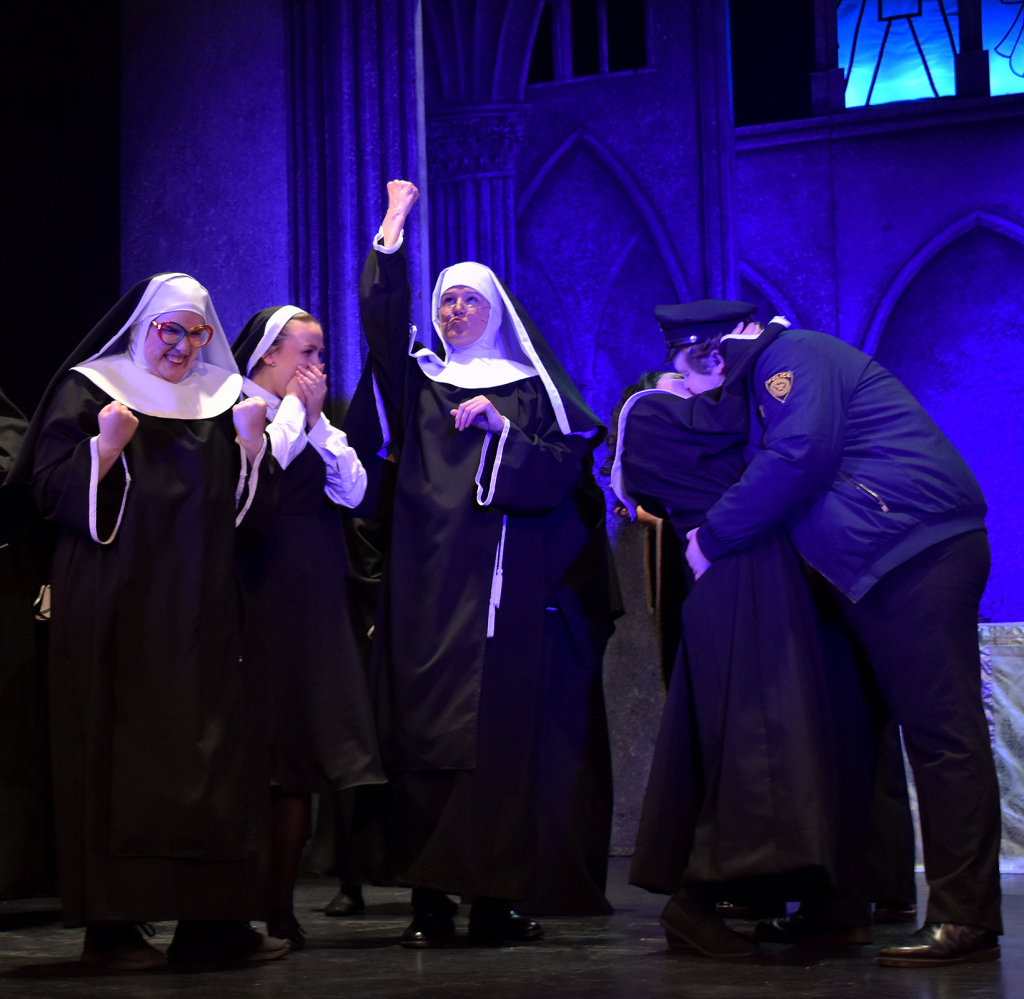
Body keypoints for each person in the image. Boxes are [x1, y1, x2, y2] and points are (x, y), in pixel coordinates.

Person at [684, 310, 1000, 967]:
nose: (703, 368)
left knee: (943, 734)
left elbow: (800, 453)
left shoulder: (792, 355)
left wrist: (710, 538)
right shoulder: (764, 379)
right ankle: (840, 910)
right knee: (848, 743)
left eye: (705, 353)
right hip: (858, 569)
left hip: (913, 550)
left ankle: (965, 916)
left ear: (737, 337)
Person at [357, 180, 620, 946]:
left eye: (469, 301)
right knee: (425, 739)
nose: (455, 312)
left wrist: (503, 429)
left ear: (497, 312)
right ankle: (429, 902)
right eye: (446, 301)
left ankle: (494, 900)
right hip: (425, 589)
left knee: (500, 743)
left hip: (504, 596)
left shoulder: (530, 392)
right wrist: (393, 231)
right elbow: (382, 321)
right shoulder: (420, 380)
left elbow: (561, 471)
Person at [5, 274, 289, 969]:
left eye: (197, 333)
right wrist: (101, 451)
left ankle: (213, 925)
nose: (184, 347)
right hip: (112, 607)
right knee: (113, 756)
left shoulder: (226, 399)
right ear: (141, 328)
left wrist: (253, 450)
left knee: (212, 758)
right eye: (170, 331)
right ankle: (112, 930)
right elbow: (41, 491)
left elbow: (251, 523)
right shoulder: (91, 389)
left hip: (202, 613)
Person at [613, 302, 856, 959]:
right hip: (730, 573)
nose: (719, 364)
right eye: (706, 353)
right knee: (752, 733)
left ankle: (819, 898)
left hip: (765, 566)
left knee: (779, 729)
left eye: (724, 352)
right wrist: (762, 347)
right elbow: (724, 444)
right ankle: (695, 901)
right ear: (679, 353)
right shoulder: (654, 409)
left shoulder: (733, 408)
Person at [232, 307, 386, 948]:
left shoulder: (317, 419)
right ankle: (232, 907)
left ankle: (280, 908)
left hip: (313, 591)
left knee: (297, 756)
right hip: (255, 588)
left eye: (322, 354)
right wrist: (296, 413)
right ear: (270, 353)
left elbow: (353, 493)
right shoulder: (232, 406)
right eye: (308, 352)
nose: (318, 366)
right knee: (254, 754)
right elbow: (260, 477)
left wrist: (319, 423)